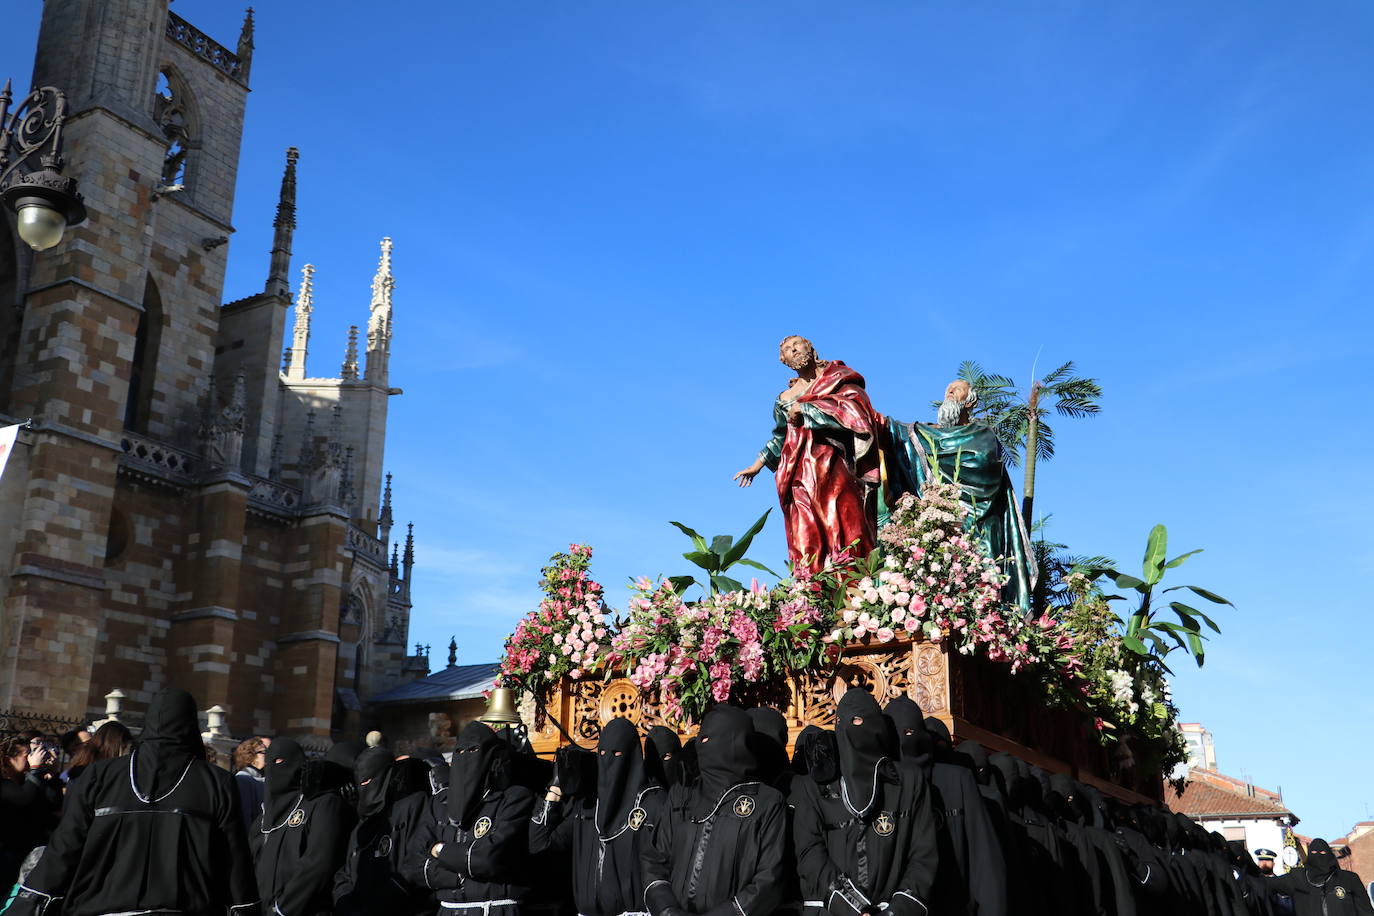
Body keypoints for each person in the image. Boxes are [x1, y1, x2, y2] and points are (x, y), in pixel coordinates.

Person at [8, 687, 258, 916]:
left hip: (101, 906)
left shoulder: (100, 775)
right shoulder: (215, 781)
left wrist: (30, 900)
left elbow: (66, 845)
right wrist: (245, 907)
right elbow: (233, 856)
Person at [734, 336, 887, 574]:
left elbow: (857, 411)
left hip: (836, 466)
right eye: (786, 349)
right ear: (783, 360)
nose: (793, 350)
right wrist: (757, 465)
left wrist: (808, 409)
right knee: (806, 534)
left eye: (797, 344)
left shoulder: (838, 378)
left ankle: (855, 588)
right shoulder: (784, 399)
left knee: (846, 526)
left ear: (811, 348)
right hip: (799, 473)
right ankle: (813, 597)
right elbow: (780, 437)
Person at [792, 689, 937, 916]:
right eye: (842, 722)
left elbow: (923, 853)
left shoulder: (907, 781)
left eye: (858, 720)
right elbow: (809, 851)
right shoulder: (816, 786)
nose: (850, 729)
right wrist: (852, 907)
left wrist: (897, 910)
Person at [643, 704, 786, 916]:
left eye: (710, 737)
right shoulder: (683, 795)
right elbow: (655, 859)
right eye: (701, 736)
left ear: (734, 741)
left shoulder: (766, 803)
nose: (701, 743)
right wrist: (666, 909)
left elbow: (769, 879)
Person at [529, 717, 663, 916]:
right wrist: (555, 787)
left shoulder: (651, 803)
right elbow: (539, 843)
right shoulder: (589, 808)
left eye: (617, 753)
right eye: (602, 753)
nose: (608, 759)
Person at [403, 721, 534, 916]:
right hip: (449, 910)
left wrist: (439, 850)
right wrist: (459, 876)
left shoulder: (513, 798)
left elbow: (489, 858)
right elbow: (414, 864)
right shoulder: (440, 803)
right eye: (460, 752)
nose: (466, 757)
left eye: (474, 750)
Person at [251, 736, 346, 916]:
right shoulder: (262, 820)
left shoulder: (319, 805)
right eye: (271, 762)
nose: (275, 767)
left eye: (280, 761)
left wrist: (283, 908)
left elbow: (319, 862)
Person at [334, 747, 430, 916]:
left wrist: (381, 902)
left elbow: (415, 862)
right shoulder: (364, 819)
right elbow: (346, 870)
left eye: (368, 780)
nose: (364, 786)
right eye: (360, 782)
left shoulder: (412, 805)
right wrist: (345, 901)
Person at [0, 736, 58, 891]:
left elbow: (51, 804)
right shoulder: (3, 784)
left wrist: (50, 775)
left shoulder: (28, 782)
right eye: (27, 756)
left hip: (27, 854)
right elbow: (24, 798)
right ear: (7, 760)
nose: (31, 759)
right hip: (7, 855)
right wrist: (35, 769)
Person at [1270, 839, 1374, 916]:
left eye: (1323, 853)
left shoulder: (1348, 879)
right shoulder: (1298, 879)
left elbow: (1365, 910)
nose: (1318, 857)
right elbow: (1266, 884)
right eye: (1314, 853)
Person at [62, 721, 133, 786]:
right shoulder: (83, 774)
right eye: (88, 743)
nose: (93, 744)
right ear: (73, 749)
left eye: (93, 740)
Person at [233, 736, 271, 831]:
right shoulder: (243, 779)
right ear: (251, 756)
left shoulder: (262, 778)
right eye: (263, 752)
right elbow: (245, 816)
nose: (268, 755)